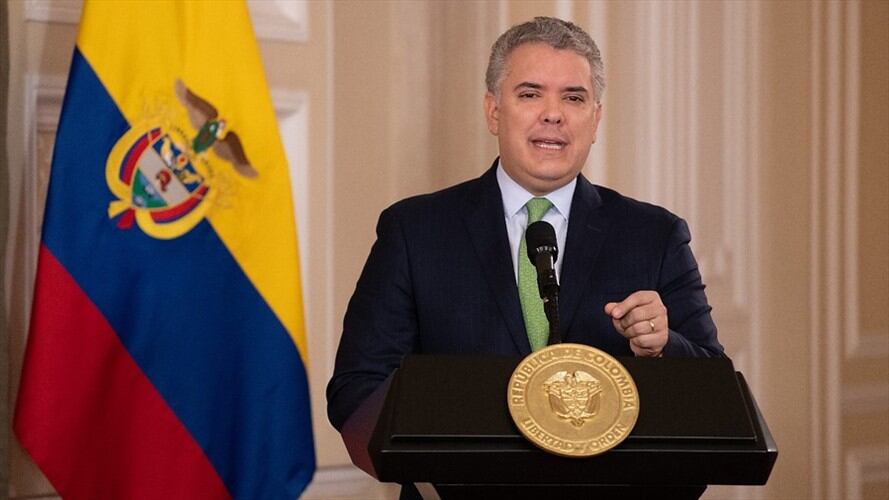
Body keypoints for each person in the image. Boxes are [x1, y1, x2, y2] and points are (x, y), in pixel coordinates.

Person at [327, 16, 723, 433]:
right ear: (494, 112)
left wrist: (662, 347)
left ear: (595, 120)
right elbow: (357, 391)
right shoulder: (414, 232)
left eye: (573, 98)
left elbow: (716, 394)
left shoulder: (655, 236)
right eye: (530, 94)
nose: (553, 114)